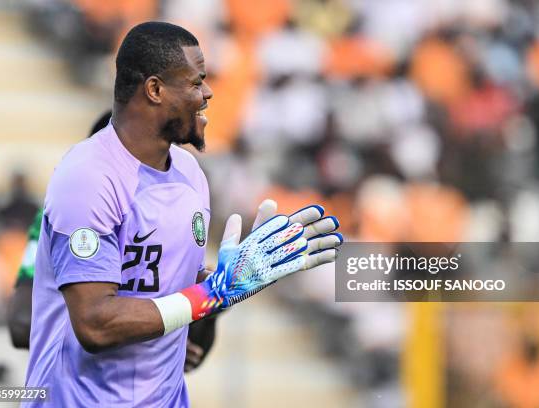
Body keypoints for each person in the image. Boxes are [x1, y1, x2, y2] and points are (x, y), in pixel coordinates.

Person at [24, 22, 341, 407]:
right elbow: (95, 323)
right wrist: (210, 294)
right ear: (155, 90)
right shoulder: (89, 176)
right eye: (195, 82)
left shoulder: (190, 176)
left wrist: (234, 282)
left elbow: (185, 309)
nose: (207, 93)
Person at [7, 111, 217, 372]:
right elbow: (21, 324)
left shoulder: (171, 222)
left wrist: (214, 302)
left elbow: (193, 351)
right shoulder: (63, 215)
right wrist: (138, 340)